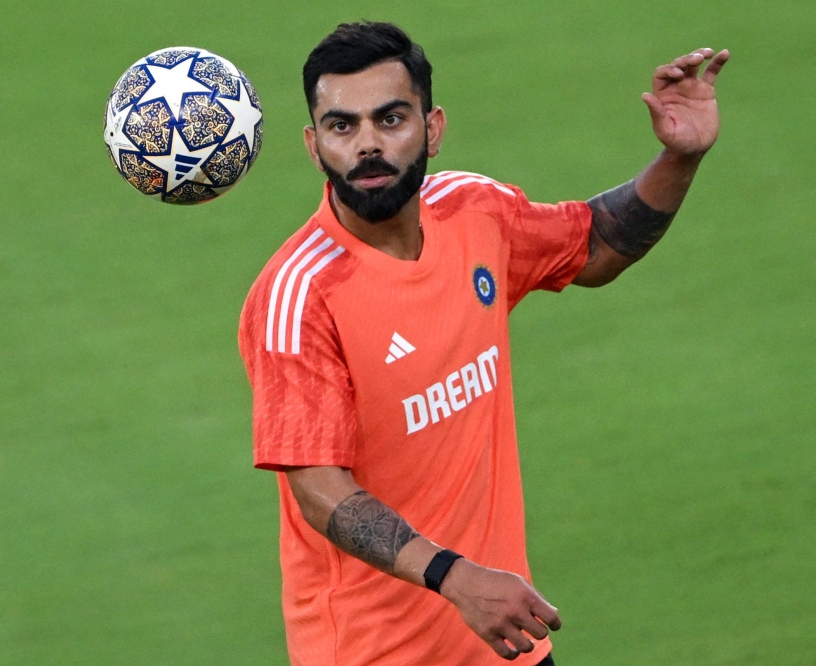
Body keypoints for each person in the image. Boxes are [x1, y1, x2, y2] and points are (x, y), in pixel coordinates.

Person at [238, 21, 728, 666]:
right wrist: (457, 577)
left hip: (501, 637)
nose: (367, 145)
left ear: (433, 127)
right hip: (375, 653)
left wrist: (680, 156)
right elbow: (318, 488)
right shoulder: (298, 295)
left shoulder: (473, 211)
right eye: (341, 125)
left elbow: (597, 246)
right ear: (313, 143)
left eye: (391, 119)